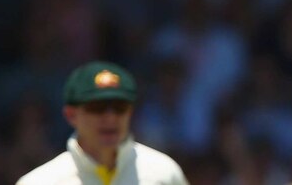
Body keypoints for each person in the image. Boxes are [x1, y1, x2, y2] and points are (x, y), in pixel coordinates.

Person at [16, 60, 189, 185]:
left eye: (119, 107)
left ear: (131, 112)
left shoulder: (164, 173)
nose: (110, 117)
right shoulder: (40, 182)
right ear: (71, 115)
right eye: (97, 107)